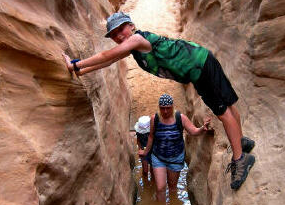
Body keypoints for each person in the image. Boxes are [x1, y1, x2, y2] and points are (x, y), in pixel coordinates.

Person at [63, 12, 255, 190]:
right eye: (113, 34)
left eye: (121, 29)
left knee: (222, 111)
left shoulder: (137, 38)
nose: (118, 36)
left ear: (131, 26)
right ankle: (240, 141)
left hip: (199, 65)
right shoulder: (134, 46)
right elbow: (109, 61)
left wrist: (75, 64)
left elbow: (107, 55)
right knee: (227, 105)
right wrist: (80, 71)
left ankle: (240, 159)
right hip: (200, 63)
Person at [138, 94, 210, 201]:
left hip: (175, 158)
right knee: (160, 187)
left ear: (172, 107)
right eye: (163, 108)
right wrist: (145, 152)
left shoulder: (180, 118)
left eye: (168, 108)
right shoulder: (155, 118)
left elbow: (193, 131)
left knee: (172, 188)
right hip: (158, 157)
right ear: (159, 108)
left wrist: (202, 129)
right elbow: (151, 137)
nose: (165, 111)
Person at [134, 115, 154, 180]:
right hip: (143, 150)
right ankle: (145, 183)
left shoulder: (153, 132)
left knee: (152, 170)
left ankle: (150, 186)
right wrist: (140, 149)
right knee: (145, 171)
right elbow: (138, 140)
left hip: (153, 150)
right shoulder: (139, 133)